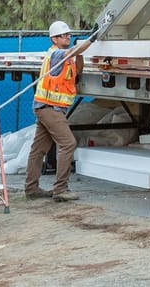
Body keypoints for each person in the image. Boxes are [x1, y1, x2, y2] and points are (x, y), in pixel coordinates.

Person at [24, 20, 96, 202]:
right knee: (68, 143)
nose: (68, 37)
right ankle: (60, 189)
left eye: (69, 35)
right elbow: (74, 51)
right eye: (64, 35)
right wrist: (91, 39)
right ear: (54, 39)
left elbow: (78, 69)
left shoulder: (67, 57)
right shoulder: (57, 54)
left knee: (38, 149)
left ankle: (31, 189)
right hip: (50, 108)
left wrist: (80, 51)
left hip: (46, 107)